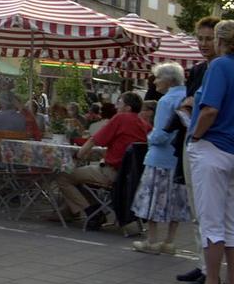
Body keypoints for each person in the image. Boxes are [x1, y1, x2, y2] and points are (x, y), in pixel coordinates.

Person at [181, 20, 234, 284]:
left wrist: (195, 137)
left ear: (219, 40)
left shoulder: (218, 66)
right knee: (231, 220)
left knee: (211, 220)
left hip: (212, 148)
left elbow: (210, 110)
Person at [56, 92, 150, 229]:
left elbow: (94, 140)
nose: (116, 106)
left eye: (119, 103)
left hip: (112, 173)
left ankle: (91, 213)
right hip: (133, 177)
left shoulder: (121, 118)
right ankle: (91, 210)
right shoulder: (145, 124)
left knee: (63, 177)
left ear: (128, 107)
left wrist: (78, 156)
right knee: (79, 177)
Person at [175, 15, 219, 284]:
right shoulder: (199, 69)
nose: (203, 44)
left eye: (208, 39)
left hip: (209, 142)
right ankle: (203, 264)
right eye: (199, 38)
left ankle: (211, 271)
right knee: (195, 206)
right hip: (192, 138)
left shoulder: (222, 69)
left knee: (209, 210)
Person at [131, 63, 190, 254]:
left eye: (157, 78)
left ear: (168, 80)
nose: (155, 82)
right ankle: (169, 242)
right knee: (176, 201)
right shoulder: (187, 97)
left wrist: (150, 138)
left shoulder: (166, 101)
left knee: (153, 199)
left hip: (161, 157)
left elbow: (162, 133)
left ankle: (152, 240)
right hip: (180, 158)